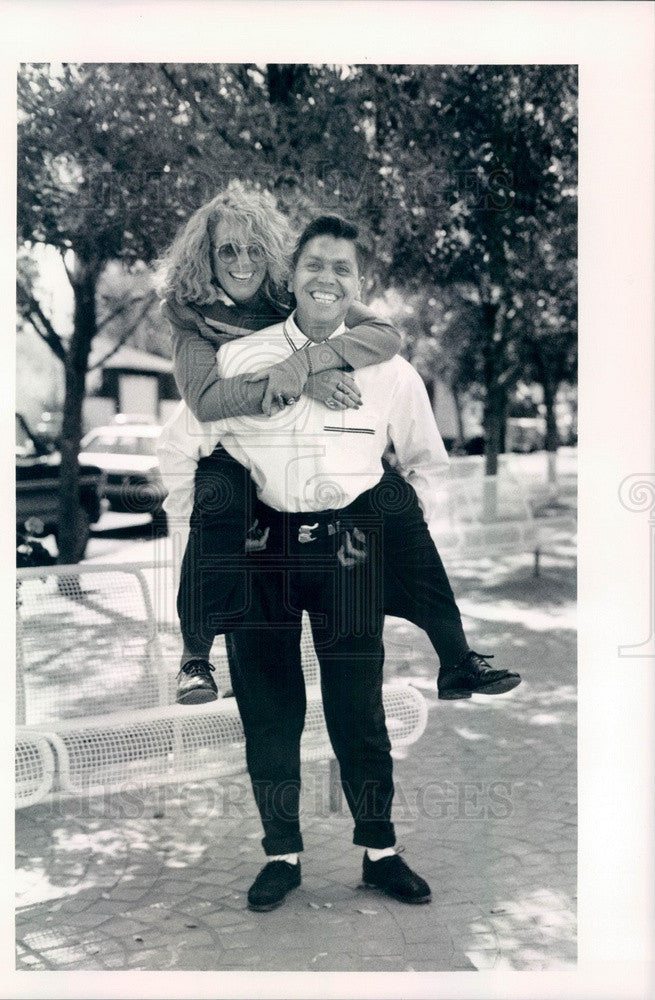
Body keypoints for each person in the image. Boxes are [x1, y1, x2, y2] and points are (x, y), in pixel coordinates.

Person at [158, 215, 521, 911]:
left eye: (342, 269)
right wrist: (206, 527)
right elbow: (182, 448)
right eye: (313, 265)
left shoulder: (391, 371)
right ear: (289, 276)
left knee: (357, 711)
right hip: (262, 552)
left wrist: (388, 525)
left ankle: (379, 851)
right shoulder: (242, 361)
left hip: (347, 550)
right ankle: (281, 856)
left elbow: (424, 464)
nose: (326, 278)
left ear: (361, 285)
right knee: (270, 714)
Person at [159, 183, 406, 704]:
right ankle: (195, 659)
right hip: (231, 446)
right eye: (228, 250)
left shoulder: (287, 294)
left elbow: (385, 335)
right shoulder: (191, 312)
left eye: (253, 249)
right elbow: (205, 400)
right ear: (207, 255)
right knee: (215, 505)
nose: (242, 262)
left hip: (298, 458)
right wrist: (301, 382)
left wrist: (308, 363)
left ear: (270, 252)